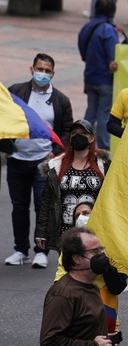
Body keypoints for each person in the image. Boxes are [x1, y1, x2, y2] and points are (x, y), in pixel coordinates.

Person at [4, 54, 73, 267]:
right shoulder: (16, 92)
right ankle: (20, 250)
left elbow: (66, 130)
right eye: (39, 69)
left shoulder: (60, 100)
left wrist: (54, 153)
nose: (42, 74)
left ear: (53, 73)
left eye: (47, 71)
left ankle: (41, 251)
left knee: (43, 208)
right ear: (31, 68)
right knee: (19, 207)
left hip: (43, 163)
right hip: (17, 159)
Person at [37, 227, 118, 346]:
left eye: (101, 249)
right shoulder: (63, 294)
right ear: (77, 258)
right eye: (95, 251)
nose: (102, 255)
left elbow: (80, 329)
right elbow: (50, 341)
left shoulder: (91, 287)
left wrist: (105, 340)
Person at [34, 120, 109, 261]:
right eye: (74, 133)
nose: (77, 136)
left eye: (83, 133)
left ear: (92, 138)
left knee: (94, 275)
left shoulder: (103, 165)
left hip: (96, 232)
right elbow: (47, 201)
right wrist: (41, 232)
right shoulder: (57, 165)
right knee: (69, 274)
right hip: (66, 233)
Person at [77, 0, 120, 149]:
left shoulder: (87, 26)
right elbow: (113, 56)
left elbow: (82, 50)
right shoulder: (108, 30)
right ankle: (104, 148)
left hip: (90, 76)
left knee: (90, 113)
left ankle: (81, 143)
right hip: (105, 80)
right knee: (104, 115)